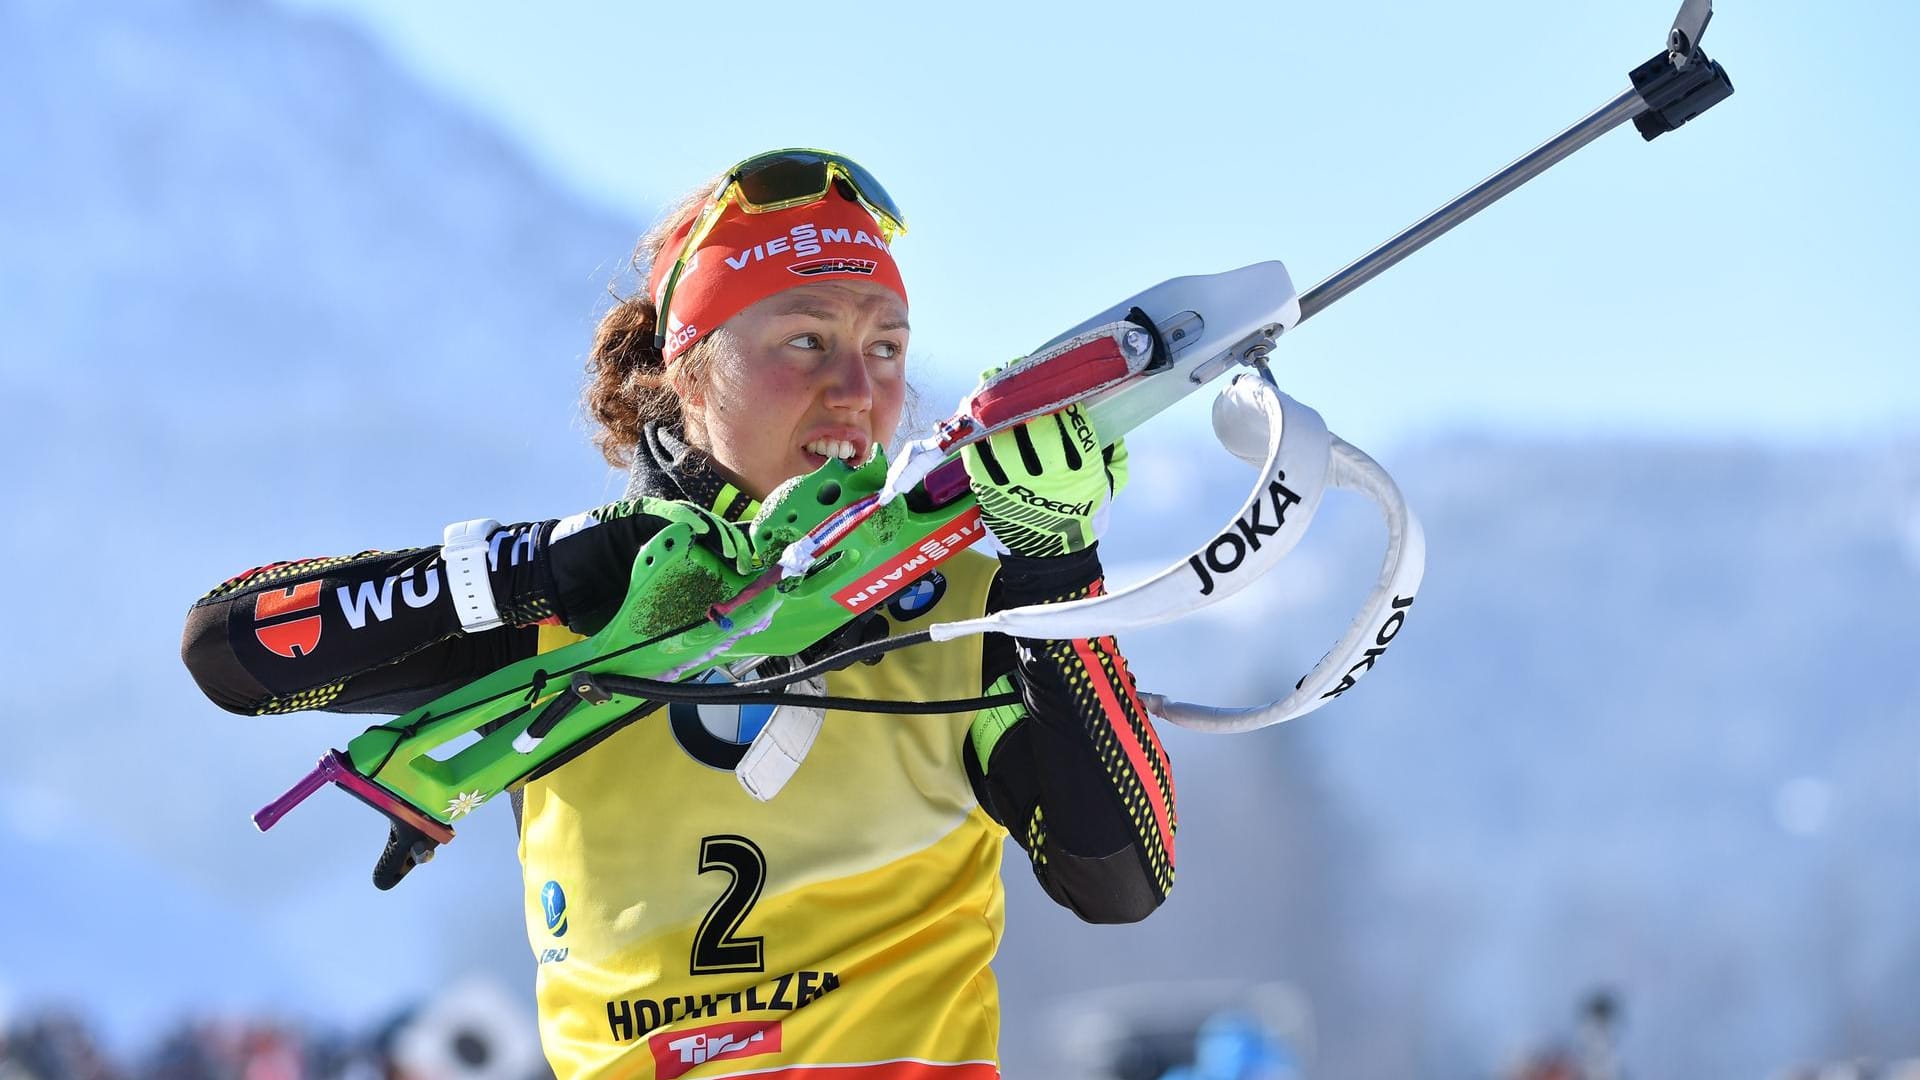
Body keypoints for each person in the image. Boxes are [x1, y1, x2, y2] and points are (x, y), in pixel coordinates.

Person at [181, 149, 1177, 1079]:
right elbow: (231, 648)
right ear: (687, 367)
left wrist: (1056, 571)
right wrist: (537, 567)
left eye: (887, 346)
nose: (855, 390)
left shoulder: (965, 607)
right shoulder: (582, 598)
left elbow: (1121, 880)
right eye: (806, 339)